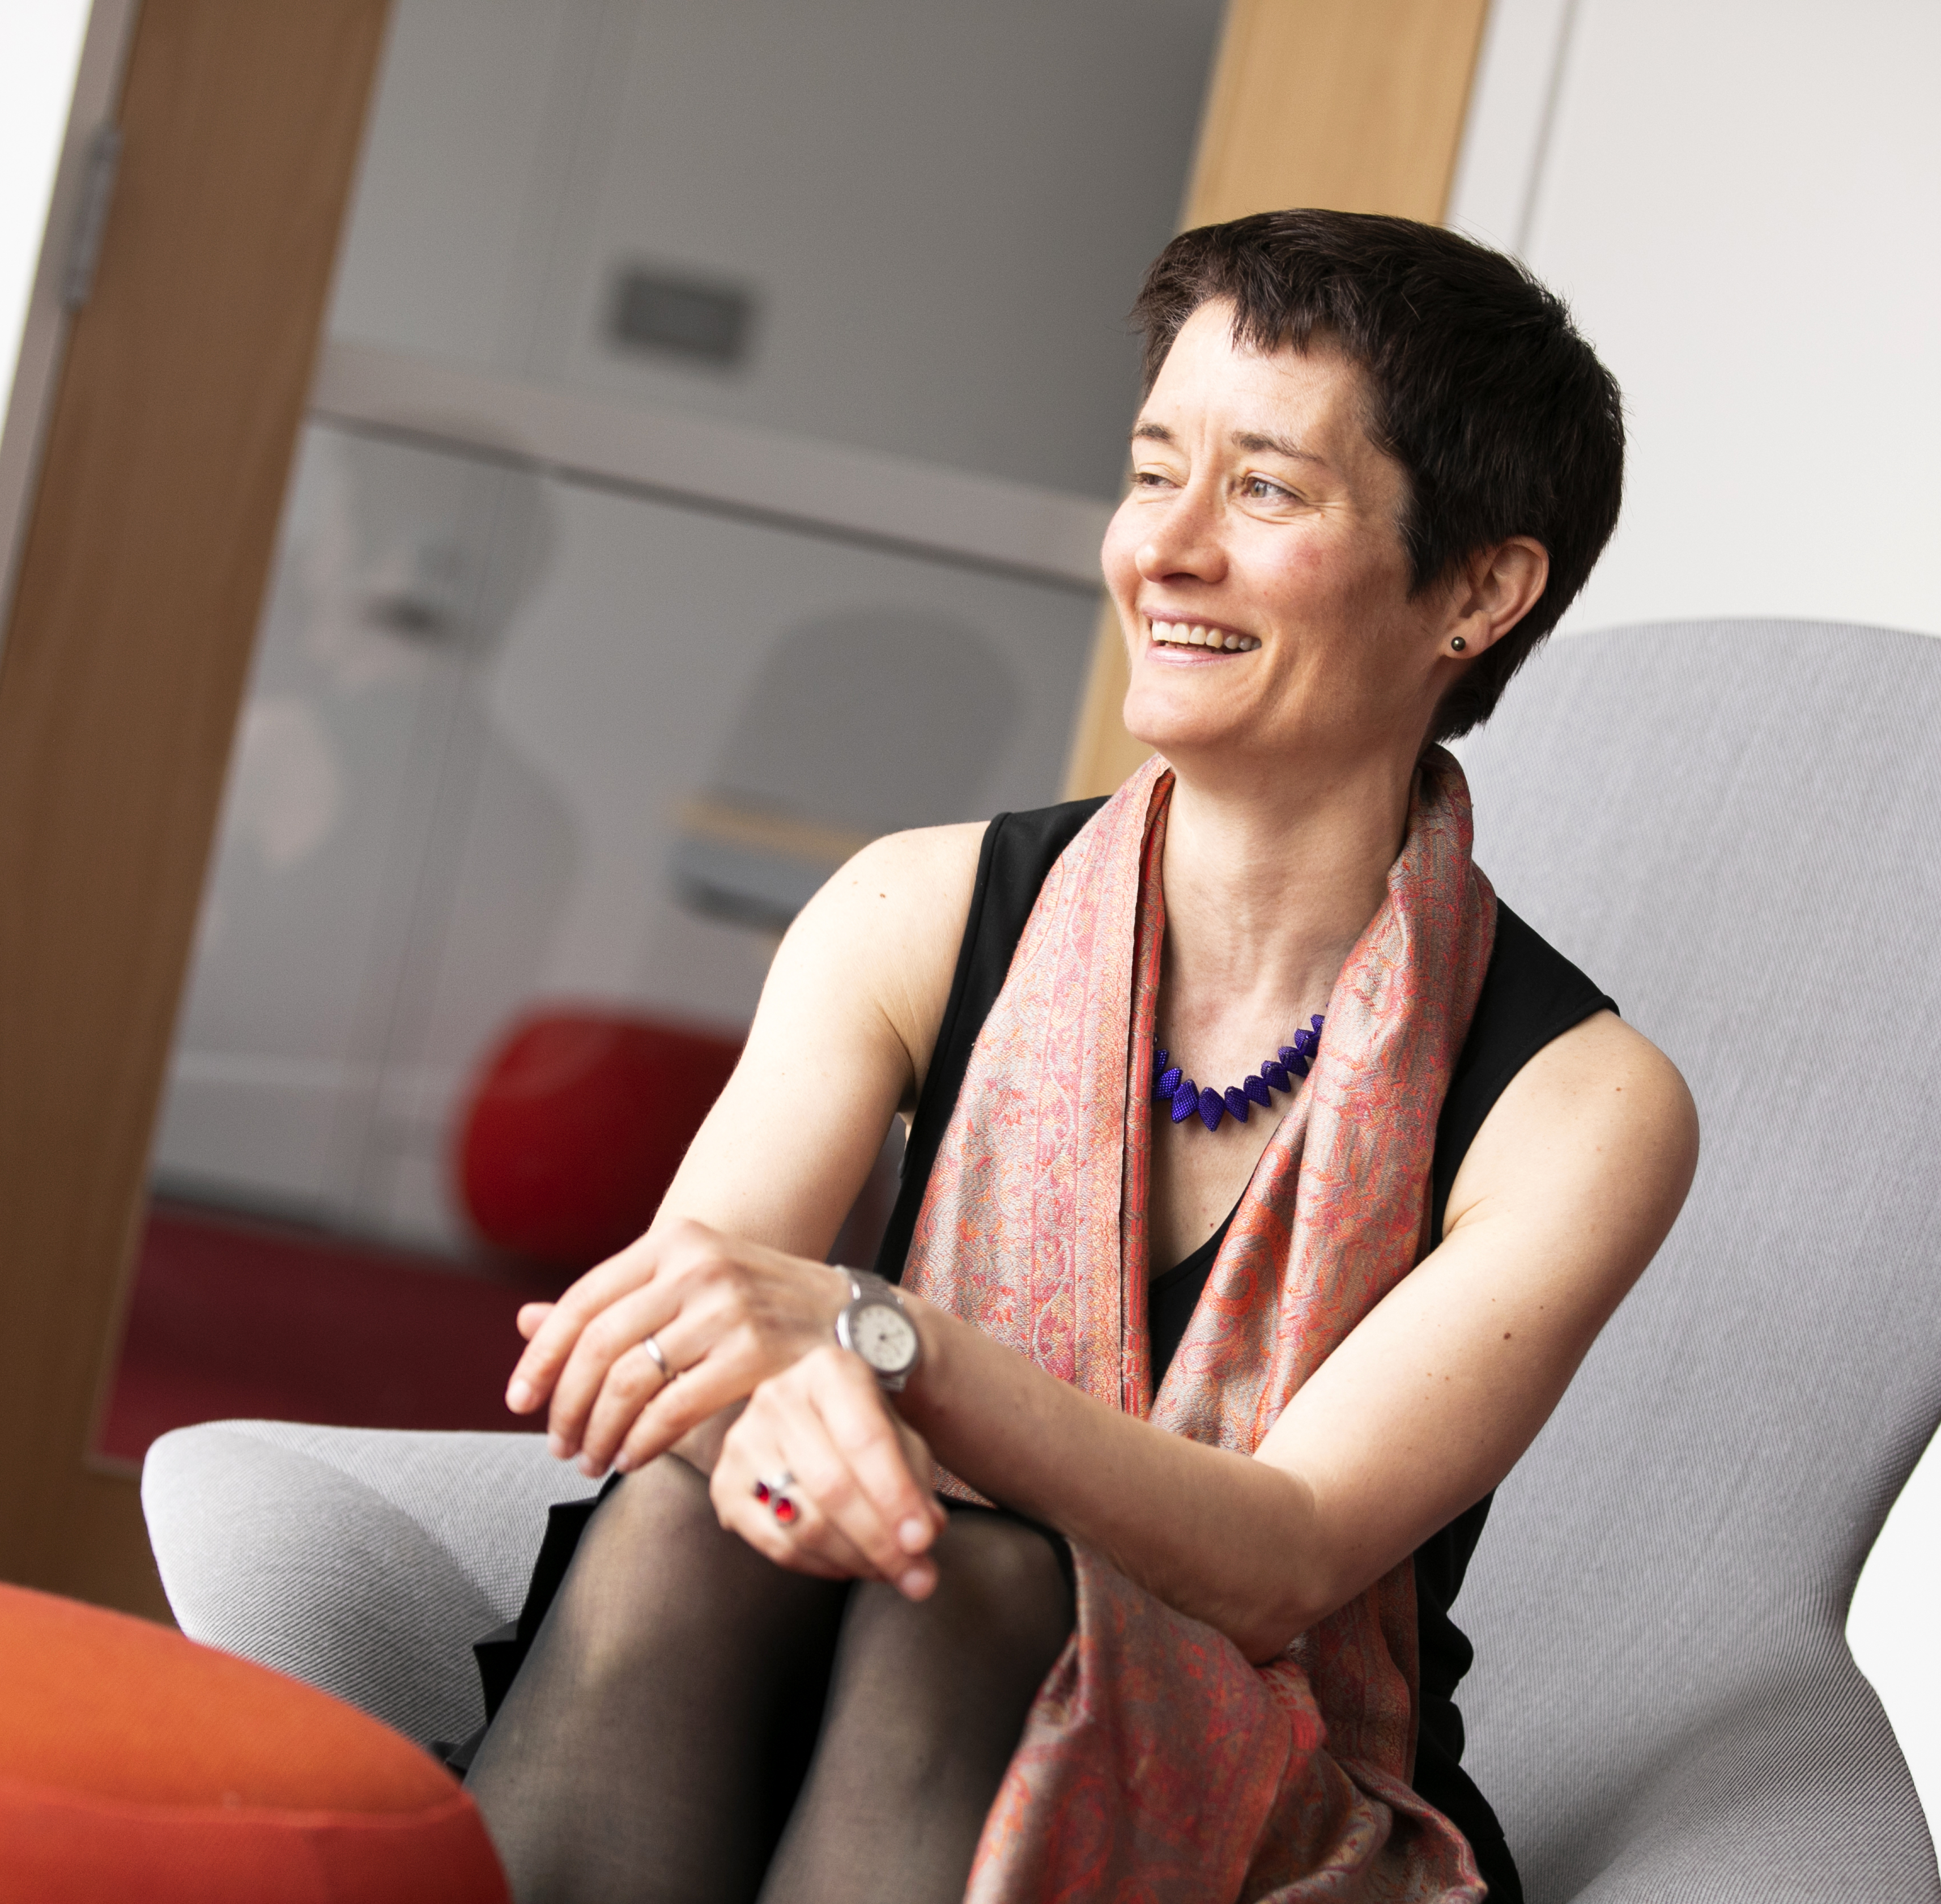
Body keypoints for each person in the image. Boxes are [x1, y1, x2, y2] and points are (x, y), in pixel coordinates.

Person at [466, 210, 1697, 1904]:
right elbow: (680, 1338)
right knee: (708, 1517)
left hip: (1266, 1807)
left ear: (1477, 590)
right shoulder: (911, 908)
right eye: (1151, 472)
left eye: (1265, 492)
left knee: (968, 1597)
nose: (1163, 551)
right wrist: (787, 1424)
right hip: (791, 1671)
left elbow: (1287, 1560)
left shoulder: (1582, 1106)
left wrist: (881, 1345)